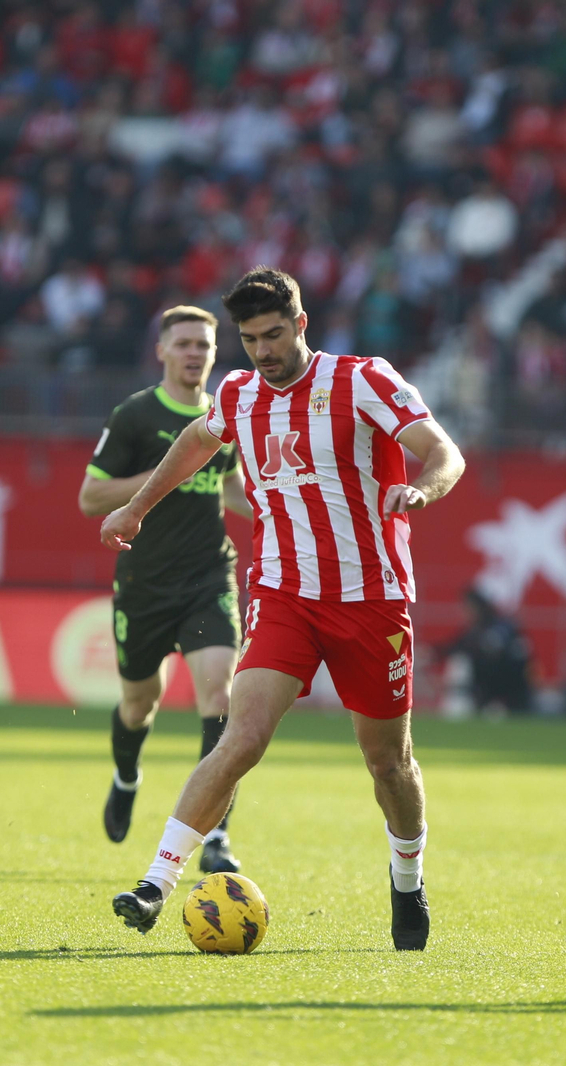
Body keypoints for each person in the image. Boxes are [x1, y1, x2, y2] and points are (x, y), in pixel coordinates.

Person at [102, 267, 466, 950]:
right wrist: (137, 506)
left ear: (301, 326)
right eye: (249, 339)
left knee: (389, 764)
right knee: (240, 738)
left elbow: (443, 451)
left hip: (372, 599)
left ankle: (408, 880)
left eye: (273, 335)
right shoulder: (238, 393)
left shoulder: (364, 380)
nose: (262, 352)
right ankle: (156, 882)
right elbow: (196, 442)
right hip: (285, 593)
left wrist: (423, 491)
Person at [78, 305, 253, 872]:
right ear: (161, 351)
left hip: (208, 578)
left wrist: (277, 509)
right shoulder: (135, 416)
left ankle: (217, 836)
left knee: (221, 699)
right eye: (183, 344)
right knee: (139, 703)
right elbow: (90, 497)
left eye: (203, 344)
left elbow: (226, 488)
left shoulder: (223, 415)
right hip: (145, 584)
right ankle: (127, 775)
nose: (194, 353)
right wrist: (164, 474)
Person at [445, 588, 534, 714]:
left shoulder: (502, 628)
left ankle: (473, 703)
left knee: (462, 662)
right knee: (460, 660)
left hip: (509, 691)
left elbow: (514, 662)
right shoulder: (475, 630)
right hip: (488, 691)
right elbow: (455, 646)